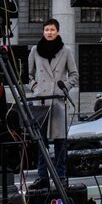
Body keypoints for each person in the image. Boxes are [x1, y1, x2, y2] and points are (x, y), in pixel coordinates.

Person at [27, 18, 79, 189]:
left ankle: (61, 176)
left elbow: (74, 75)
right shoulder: (35, 50)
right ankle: (42, 177)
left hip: (57, 100)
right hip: (40, 101)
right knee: (41, 142)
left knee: (60, 142)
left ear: (57, 32)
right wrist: (34, 86)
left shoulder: (66, 51)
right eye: (47, 30)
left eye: (52, 30)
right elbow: (28, 74)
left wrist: (64, 87)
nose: (49, 32)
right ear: (43, 32)